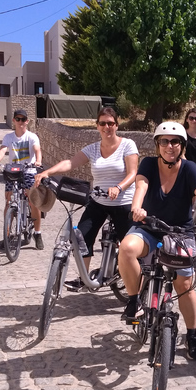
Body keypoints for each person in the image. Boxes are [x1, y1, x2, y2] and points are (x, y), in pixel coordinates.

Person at [117, 121, 196, 361]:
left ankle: (192, 334)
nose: (169, 145)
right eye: (164, 141)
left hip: (179, 233)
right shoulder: (148, 164)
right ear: (157, 145)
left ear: (182, 145)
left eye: (175, 141)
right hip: (149, 228)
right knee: (126, 248)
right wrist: (136, 208)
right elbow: (141, 186)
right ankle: (134, 300)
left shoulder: (190, 169)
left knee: (183, 285)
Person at [34, 107, 138, 290]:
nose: (107, 127)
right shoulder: (93, 149)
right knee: (82, 237)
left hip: (123, 202)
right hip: (99, 201)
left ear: (117, 125)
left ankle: (135, 290)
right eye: (103, 123)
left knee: (129, 248)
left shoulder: (127, 145)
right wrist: (47, 172)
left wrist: (118, 187)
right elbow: (70, 163)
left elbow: (133, 173)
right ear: (97, 126)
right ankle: (84, 278)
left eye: (111, 123)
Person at [0, 109, 44, 250]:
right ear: (14, 120)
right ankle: (7, 234)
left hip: (28, 171)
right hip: (13, 171)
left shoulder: (32, 137)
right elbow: (3, 150)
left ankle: (37, 233)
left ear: (27, 121)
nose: (20, 122)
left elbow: (37, 150)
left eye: (23, 119)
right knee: (8, 202)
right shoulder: (8, 137)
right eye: (18, 119)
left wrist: (38, 161)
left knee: (34, 202)